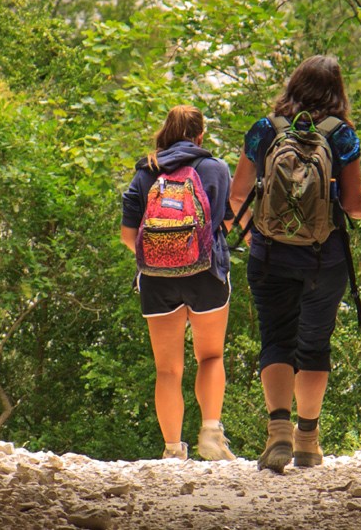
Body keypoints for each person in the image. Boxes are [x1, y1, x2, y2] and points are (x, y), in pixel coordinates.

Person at [230, 54, 361, 473]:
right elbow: (353, 207)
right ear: (338, 92)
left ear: (293, 85)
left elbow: (238, 193)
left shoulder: (265, 130)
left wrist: (251, 229)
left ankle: (277, 433)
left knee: (276, 339)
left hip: (269, 253)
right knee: (314, 344)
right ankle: (307, 441)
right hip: (324, 258)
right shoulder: (341, 135)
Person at [119, 104, 237, 461]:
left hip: (157, 281)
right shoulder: (215, 168)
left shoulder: (145, 172)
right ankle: (212, 433)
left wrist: (162, 254)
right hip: (207, 276)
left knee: (167, 368)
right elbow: (226, 224)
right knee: (211, 355)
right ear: (200, 136)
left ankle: (172, 449)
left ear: (165, 133)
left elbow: (128, 236)